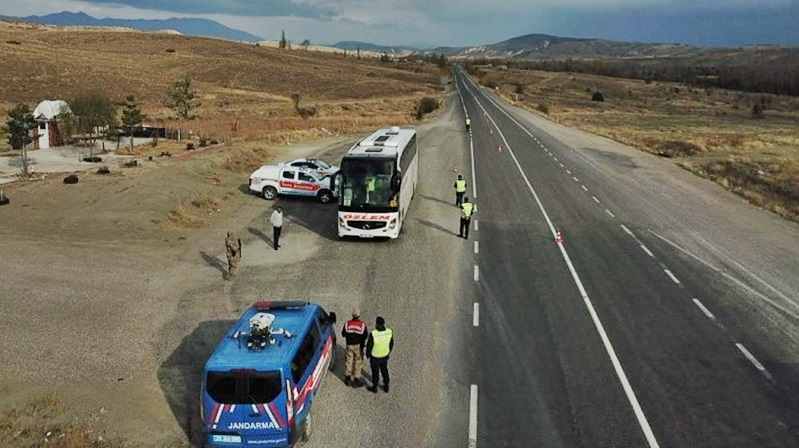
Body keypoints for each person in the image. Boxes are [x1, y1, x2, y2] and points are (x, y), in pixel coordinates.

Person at [366, 316, 394, 393]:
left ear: (377, 324)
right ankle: (386, 385)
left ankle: (374, 387)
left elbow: (369, 346)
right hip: (384, 356)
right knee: (384, 370)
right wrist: (388, 351)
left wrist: (368, 354)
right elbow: (391, 344)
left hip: (375, 357)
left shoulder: (373, 333)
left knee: (375, 372)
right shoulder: (389, 332)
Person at [341, 307, 368, 387]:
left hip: (349, 345)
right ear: (359, 316)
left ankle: (347, 379)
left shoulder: (347, 324)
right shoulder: (362, 325)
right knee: (358, 362)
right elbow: (365, 336)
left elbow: (343, 334)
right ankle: (356, 379)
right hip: (358, 346)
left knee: (349, 361)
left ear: (352, 315)